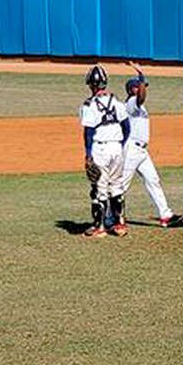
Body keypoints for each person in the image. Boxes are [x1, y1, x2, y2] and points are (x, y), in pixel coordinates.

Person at [120, 64, 177, 228]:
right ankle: (110, 216)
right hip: (131, 150)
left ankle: (165, 214)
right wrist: (142, 77)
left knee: (153, 180)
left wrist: (142, 80)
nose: (144, 89)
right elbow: (141, 97)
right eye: (141, 87)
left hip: (142, 151)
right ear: (133, 90)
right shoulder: (131, 103)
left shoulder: (138, 105)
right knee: (122, 185)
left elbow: (143, 97)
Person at [80, 65, 130, 238]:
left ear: (90, 85)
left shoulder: (89, 105)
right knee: (116, 186)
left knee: (99, 188)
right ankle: (120, 225)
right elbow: (127, 127)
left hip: (100, 148)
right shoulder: (117, 102)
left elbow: (88, 132)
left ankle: (100, 227)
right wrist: (120, 144)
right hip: (117, 147)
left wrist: (88, 153)